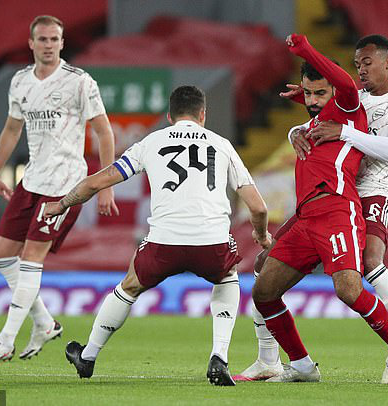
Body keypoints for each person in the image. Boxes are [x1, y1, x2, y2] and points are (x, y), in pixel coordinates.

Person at [242, 34, 388, 384]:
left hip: (373, 190)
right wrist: (295, 129)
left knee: (370, 261)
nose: (361, 70)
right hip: (331, 192)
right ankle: (269, 359)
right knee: (263, 266)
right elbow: (316, 124)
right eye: (357, 64)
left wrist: (346, 133)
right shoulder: (354, 99)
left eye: (367, 62)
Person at [43, 85, 271, 386]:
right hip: (211, 243)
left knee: (129, 286)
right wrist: (261, 234)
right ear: (203, 114)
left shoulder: (151, 142)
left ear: (169, 116)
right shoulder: (221, 144)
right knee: (227, 276)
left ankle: (88, 356)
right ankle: (219, 358)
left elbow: (97, 181)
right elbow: (258, 207)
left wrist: (60, 204)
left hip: (164, 243)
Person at [0, 15, 118, 363]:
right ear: (31, 43)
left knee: (31, 258)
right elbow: (10, 128)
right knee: (1, 254)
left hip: (64, 185)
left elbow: (104, 132)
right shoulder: (20, 82)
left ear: (63, 44)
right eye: (43, 39)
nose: (49, 45)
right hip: (32, 180)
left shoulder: (80, 82)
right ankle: (44, 322)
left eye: (55, 39)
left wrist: (106, 186)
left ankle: (6, 340)